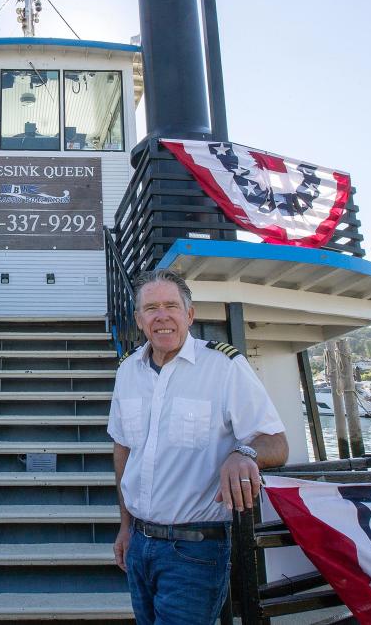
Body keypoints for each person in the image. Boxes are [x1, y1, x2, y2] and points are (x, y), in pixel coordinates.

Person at [109, 268, 288, 625]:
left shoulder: (224, 366)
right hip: (140, 543)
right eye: (151, 308)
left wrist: (243, 453)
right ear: (139, 319)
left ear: (189, 315)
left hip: (194, 549)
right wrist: (125, 526)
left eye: (171, 306)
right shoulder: (127, 370)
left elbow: (276, 442)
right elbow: (123, 451)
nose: (162, 316)